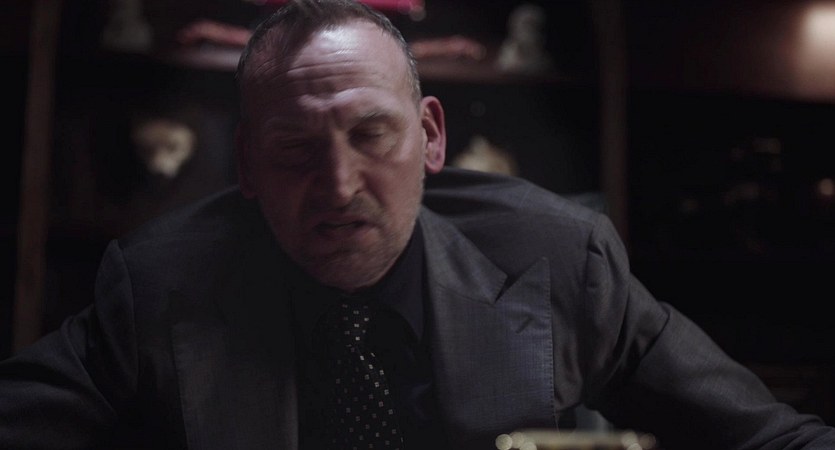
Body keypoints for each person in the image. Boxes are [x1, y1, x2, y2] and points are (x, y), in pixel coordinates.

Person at [2, 0, 834, 449]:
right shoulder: (159, 284)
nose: (338, 184)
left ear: (431, 137)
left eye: (371, 134)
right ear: (246, 164)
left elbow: (770, 440)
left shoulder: (556, 257)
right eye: (294, 149)